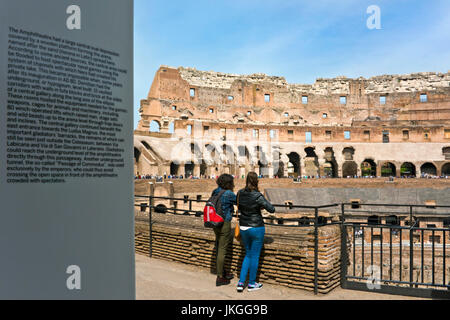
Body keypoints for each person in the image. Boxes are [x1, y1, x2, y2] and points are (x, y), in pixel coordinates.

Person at [236, 172, 275, 292]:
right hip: (256, 227)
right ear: (256, 181)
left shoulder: (240, 193)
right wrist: (259, 205)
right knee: (255, 256)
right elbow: (271, 209)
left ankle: (241, 283)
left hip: (243, 227)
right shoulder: (257, 195)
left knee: (247, 255)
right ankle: (252, 283)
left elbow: (240, 206)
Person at [211, 174, 237, 286]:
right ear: (228, 183)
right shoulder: (229, 193)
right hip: (224, 222)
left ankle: (224, 272)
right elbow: (238, 202)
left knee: (218, 246)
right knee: (222, 249)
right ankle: (220, 277)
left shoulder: (215, 191)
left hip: (214, 221)